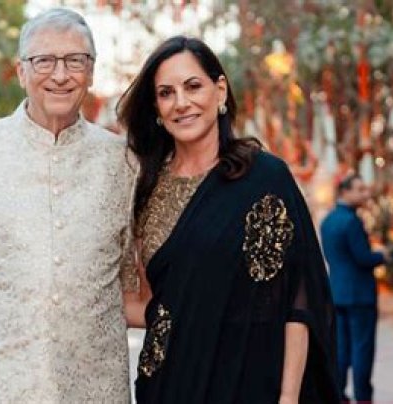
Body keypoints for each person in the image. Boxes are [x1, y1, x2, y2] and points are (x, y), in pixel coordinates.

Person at [0, 8, 136, 402]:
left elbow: (129, 276)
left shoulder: (122, 163)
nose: (60, 74)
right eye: (44, 61)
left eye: (75, 60)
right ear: (22, 72)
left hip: (92, 388)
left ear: (91, 73)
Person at [118, 36, 339, 403]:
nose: (181, 102)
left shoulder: (264, 179)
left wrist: (288, 398)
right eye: (166, 93)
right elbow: (150, 303)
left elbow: (296, 302)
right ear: (156, 107)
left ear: (219, 90)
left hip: (249, 383)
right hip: (169, 383)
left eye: (193, 86)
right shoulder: (145, 188)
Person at [321, 174, 388, 402]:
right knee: (362, 349)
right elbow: (363, 258)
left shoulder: (328, 220)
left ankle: (338, 394)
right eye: (360, 189)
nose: (365, 194)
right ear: (345, 192)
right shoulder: (351, 221)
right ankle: (363, 397)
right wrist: (382, 255)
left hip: (337, 292)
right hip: (359, 295)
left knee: (341, 349)